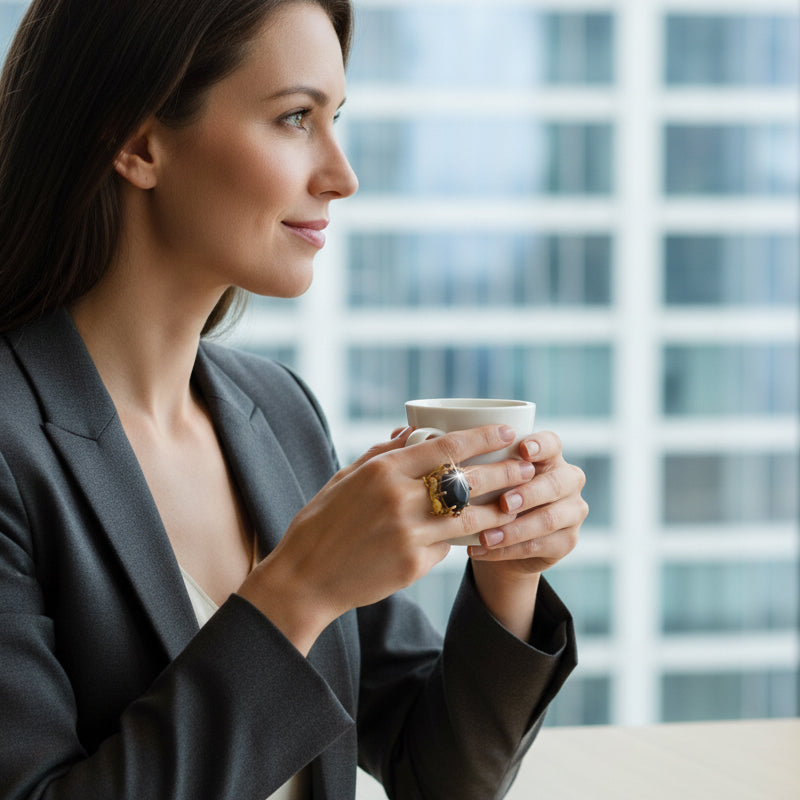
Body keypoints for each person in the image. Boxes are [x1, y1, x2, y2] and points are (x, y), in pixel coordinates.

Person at [0, 1, 587, 798]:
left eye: (334, 117)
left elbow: (439, 772)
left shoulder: (277, 413)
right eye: (295, 118)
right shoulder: (12, 446)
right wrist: (300, 590)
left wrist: (507, 567)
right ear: (138, 142)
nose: (342, 175)